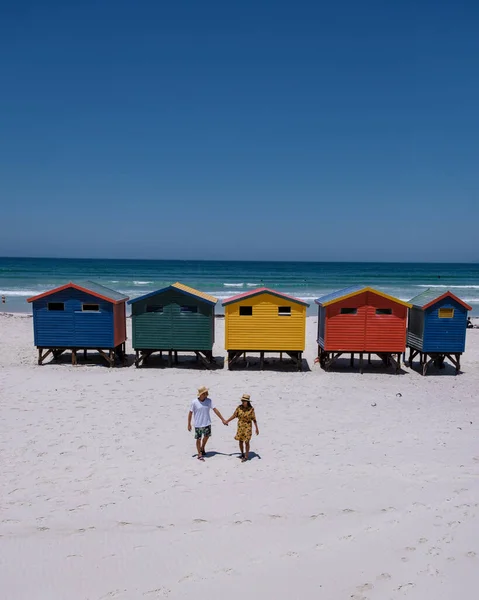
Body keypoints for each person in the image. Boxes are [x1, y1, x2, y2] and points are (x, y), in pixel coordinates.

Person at [188, 386, 227, 461]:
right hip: (198, 424)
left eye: (206, 393)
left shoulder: (209, 401)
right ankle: (199, 454)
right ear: (201, 394)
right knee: (198, 439)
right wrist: (189, 424)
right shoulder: (194, 402)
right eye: (205, 393)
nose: (207, 394)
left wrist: (222, 419)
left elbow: (215, 410)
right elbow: (190, 413)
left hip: (207, 423)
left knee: (206, 436)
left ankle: (202, 448)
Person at [225, 393, 259, 462]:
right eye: (242, 401)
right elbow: (234, 415)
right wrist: (227, 421)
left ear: (247, 402)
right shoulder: (239, 407)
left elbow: (254, 419)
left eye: (244, 401)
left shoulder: (251, 409)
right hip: (240, 426)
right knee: (240, 441)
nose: (243, 402)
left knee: (247, 441)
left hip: (248, 426)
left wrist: (257, 428)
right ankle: (242, 454)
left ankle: (246, 456)